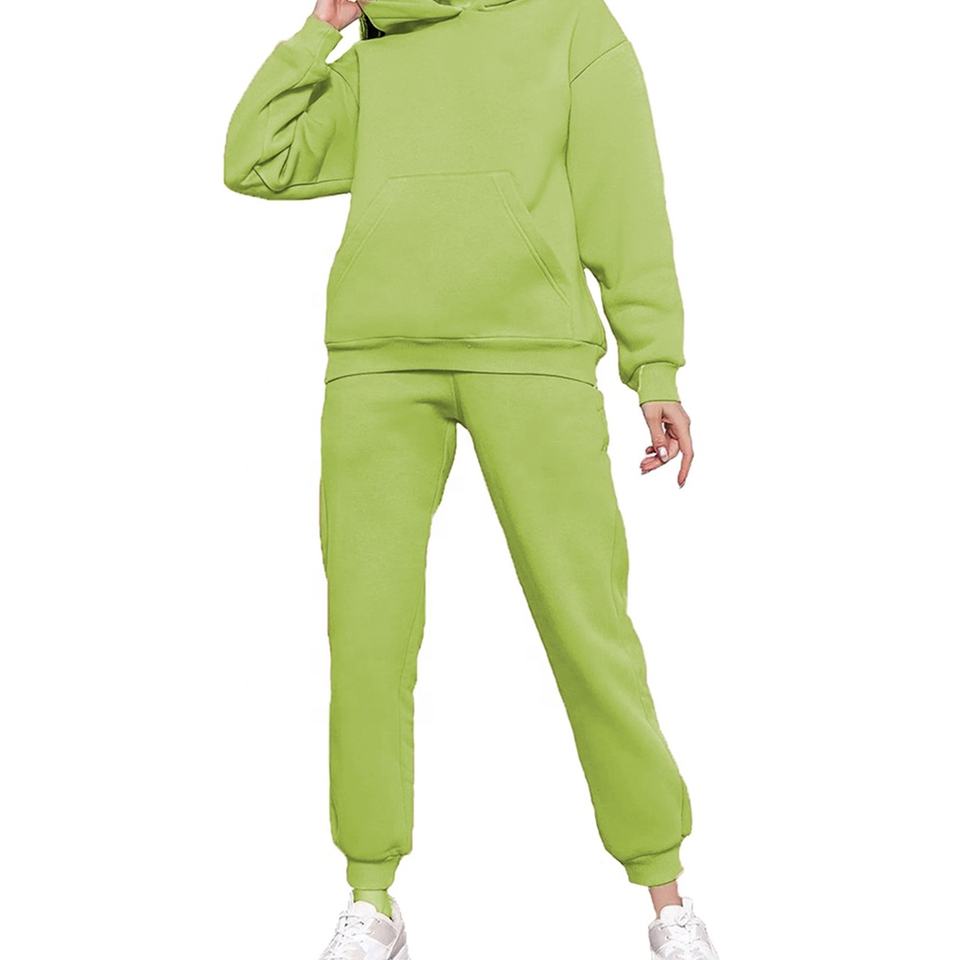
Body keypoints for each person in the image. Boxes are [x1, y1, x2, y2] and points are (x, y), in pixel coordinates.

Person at [224, 1, 718, 957]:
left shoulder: (571, 25)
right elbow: (255, 158)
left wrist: (654, 368)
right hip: (377, 364)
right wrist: (322, 27)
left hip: (533, 356)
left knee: (588, 626)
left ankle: (668, 897)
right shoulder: (381, 53)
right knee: (367, 636)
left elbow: (627, 201)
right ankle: (371, 897)